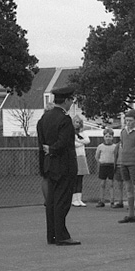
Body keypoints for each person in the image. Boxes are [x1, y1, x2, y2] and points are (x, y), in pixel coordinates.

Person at [37, 86, 80, 246]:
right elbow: (65, 143)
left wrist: (44, 164)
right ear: (67, 100)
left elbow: (41, 144)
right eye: (71, 101)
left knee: (51, 201)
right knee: (62, 201)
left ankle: (52, 235)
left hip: (49, 165)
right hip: (64, 165)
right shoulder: (64, 119)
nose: (71, 104)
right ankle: (62, 235)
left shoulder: (44, 118)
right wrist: (54, 149)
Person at [95, 128, 118, 208]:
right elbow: (97, 156)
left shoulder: (115, 147)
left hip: (111, 166)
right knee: (102, 184)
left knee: (111, 184)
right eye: (106, 136)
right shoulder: (100, 146)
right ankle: (101, 200)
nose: (108, 138)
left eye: (110, 136)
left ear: (112, 137)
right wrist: (100, 162)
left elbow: (116, 156)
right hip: (103, 166)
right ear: (104, 137)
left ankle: (112, 200)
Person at [71, 116, 90, 207]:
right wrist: (80, 142)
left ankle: (79, 199)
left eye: (78, 122)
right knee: (74, 179)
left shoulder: (83, 133)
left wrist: (79, 140)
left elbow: (87, 141)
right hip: (74, 157)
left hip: (82, 156)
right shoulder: (70, 133)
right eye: (75, 122)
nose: (77, 124)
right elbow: (72, 144)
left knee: (80, 179)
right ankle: (74, 199)